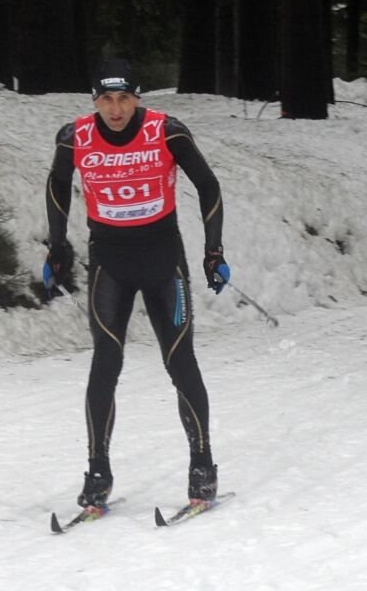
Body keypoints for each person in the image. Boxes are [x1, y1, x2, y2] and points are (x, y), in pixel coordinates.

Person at [43, 58, 230, 510]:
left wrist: (214, 251)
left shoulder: (167, 131)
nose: (115, 109)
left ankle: (202, 464)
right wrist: (57, 249)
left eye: (124, 98)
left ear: (137, 98)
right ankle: (98, 471)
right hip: (110, 262)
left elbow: (208, 185)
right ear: (95, 101)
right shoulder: (76, 137)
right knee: (105, 362)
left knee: (179, 360)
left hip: (164, 262)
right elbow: (56, 187)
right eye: (106, 99)